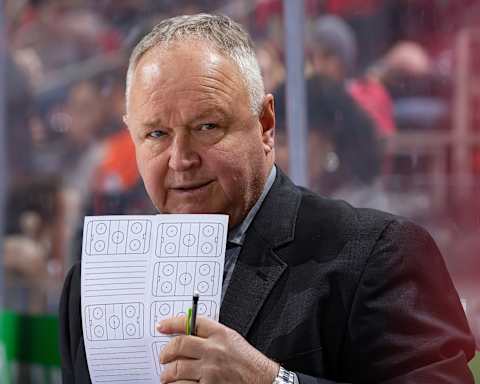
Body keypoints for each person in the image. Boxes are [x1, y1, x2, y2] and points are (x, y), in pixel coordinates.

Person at [59, 13, 475, 383]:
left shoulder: (379, 253)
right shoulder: (90, 285)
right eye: (156, 134)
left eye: (206, 126)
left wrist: (271, 381)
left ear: (265, 125)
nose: (181, 159)